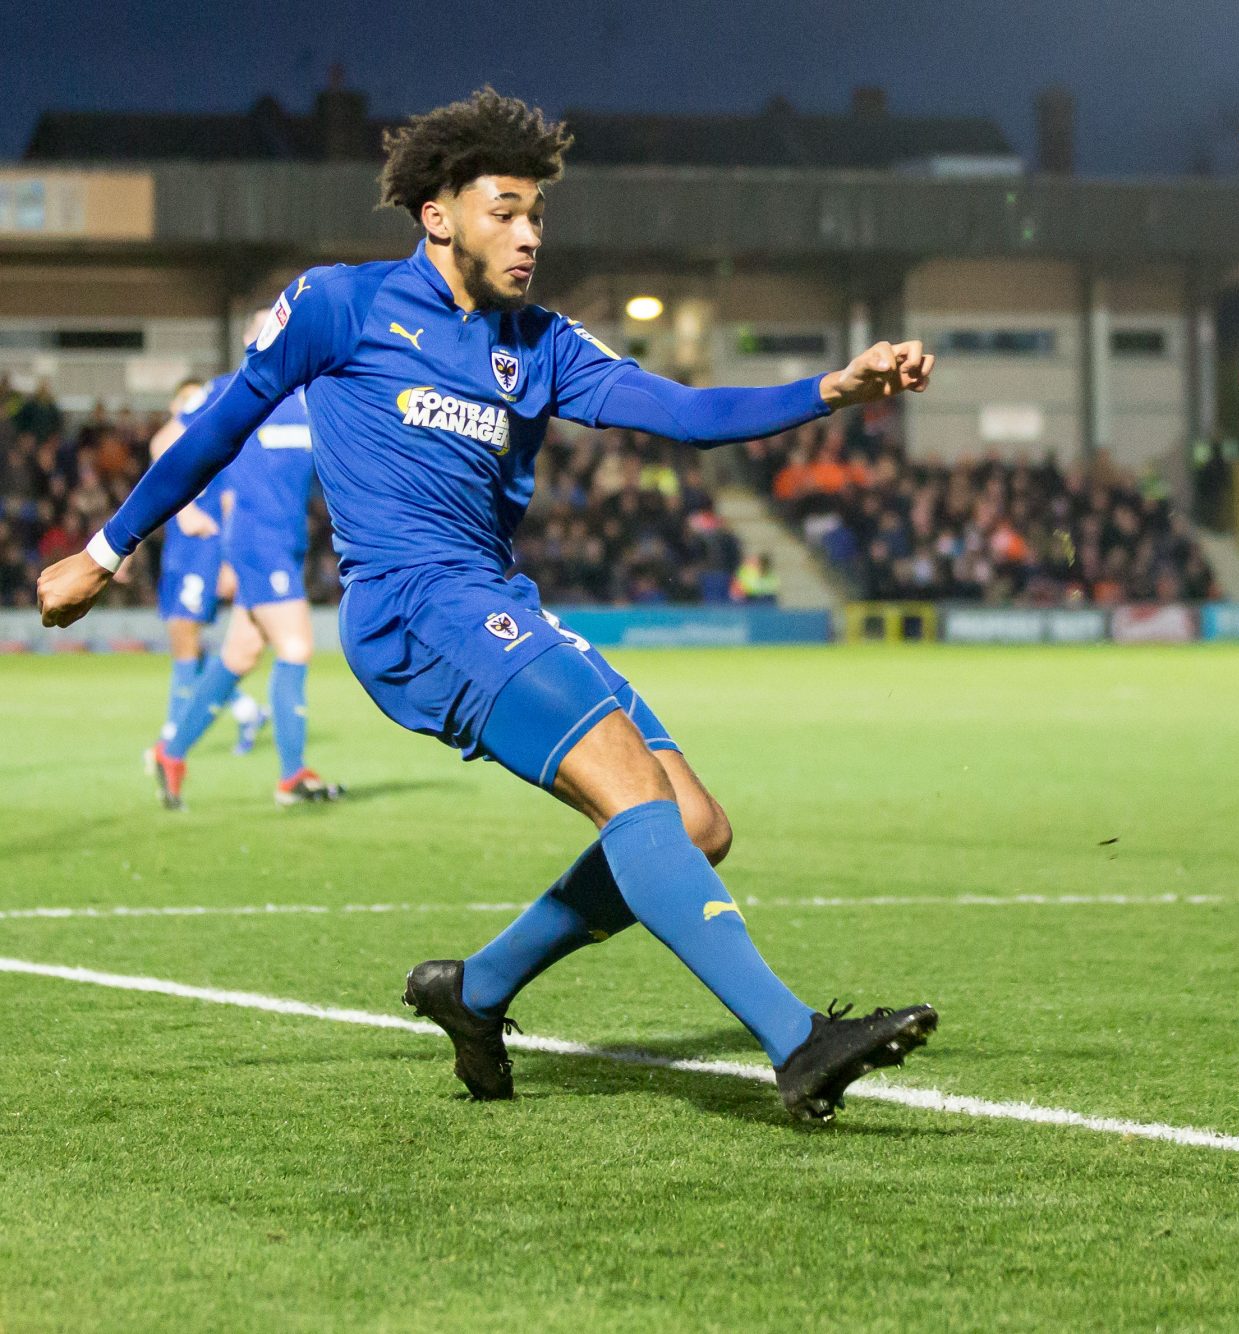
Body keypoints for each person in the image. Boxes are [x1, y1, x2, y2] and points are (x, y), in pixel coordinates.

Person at [40, 89, 939, 1120]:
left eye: (537, 215)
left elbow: (685, 412)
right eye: (504, 211)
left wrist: (831, 388)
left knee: (696, 824)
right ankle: (797, 1041)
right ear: (438, 216)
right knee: (633, 794)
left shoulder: (541, 343)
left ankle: (474, 991)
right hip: (409, 608)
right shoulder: (338, 305)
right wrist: (105, 552)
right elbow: (219, 425)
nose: (528, 235)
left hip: (495, 600)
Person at [149, 315, 343, 809]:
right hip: (257, 541)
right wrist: (184, 509)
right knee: (296, 646)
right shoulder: (229, 389)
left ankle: (171, 753)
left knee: (239, 654)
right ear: (248, 339)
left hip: (288, 541)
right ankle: (292, 776)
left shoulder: (308, 398)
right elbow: (163, 440)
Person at [146, 377, 263, 763]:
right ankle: (246, 709)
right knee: (183, 638)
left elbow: (231, 501)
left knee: (185, 632)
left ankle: (172, 733)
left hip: (206, 546)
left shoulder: (218, 445)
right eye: (184, 399)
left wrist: (229, 559)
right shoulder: (175, 451)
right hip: (179, 549)